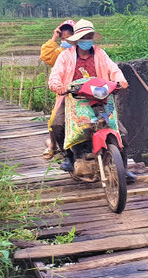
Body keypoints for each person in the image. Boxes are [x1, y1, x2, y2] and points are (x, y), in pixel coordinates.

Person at [47, 19, 134, 180]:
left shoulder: (100, 53)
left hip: (99, 97)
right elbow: (55, 75)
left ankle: (123, 168)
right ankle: (69, 156)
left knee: (121, 132)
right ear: (77, 38)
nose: (87, 39)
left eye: (90, 36)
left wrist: (120, 81)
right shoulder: (66, 56)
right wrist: (58, 86)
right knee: (57, 124)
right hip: (73, 98)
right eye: (84, 36)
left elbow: (113, 68)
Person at [40, 20, 76, 159]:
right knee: (54, 120)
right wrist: (53, 37)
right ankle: (53, 145)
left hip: (82, 93)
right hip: (64, 94)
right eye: (62, 38)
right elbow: (46, 56)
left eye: (67, 38)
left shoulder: (83, 52)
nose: (64, 41)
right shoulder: (60, 53)